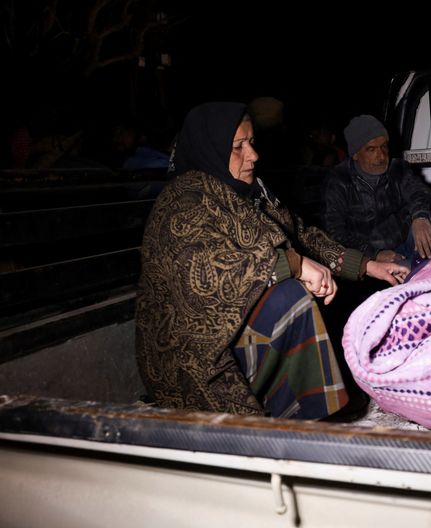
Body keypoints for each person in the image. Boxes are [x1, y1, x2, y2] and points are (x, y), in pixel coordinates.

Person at [135, 102, 409, 420]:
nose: (253, 155)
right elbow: (208, 277)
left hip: (236, 332)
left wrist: (366, 265)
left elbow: (303, 234)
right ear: (210, 149)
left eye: (251, 143)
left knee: (313, 292)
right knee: (290, 296)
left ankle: (307, 415)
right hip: (194, 358)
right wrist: (293, 264)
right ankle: (307, 419)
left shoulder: (249, 192)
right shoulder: (183, 203)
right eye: (239, 147)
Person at [321, 114, 431, 269]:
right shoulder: (339, 180)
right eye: (371, 149)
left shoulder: (398, 169)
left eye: (384, 146)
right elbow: (335, 232)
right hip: (369, 255)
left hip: (406, 242)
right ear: (355, 154)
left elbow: (420, 193)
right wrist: (374, 254)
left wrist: (420, 218)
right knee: (411, 272)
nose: (381, 156)